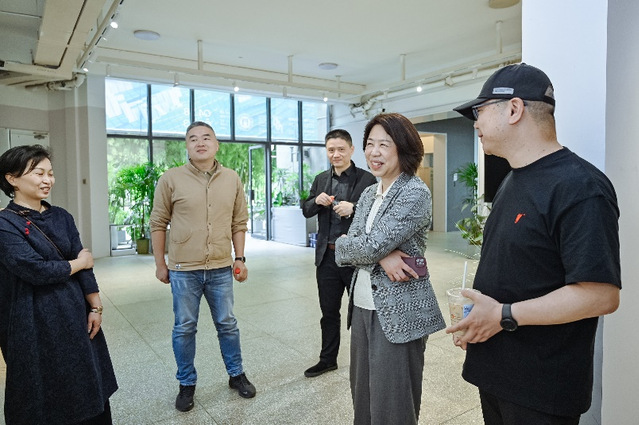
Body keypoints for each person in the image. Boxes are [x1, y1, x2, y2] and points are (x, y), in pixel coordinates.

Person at [449, 63, 621, 425]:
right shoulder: (511, 179)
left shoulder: (580, 187)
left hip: (541, 389)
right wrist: (478, 319)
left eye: (480, 112)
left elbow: (600, 295)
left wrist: (504, 315)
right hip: (495, 372)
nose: (475, 124)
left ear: (514, 109)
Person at [335, 113, 446, 425]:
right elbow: (352, 248)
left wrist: (363, 248)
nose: (374, 152)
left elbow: (360, 245)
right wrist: (381, 256)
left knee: (393, 404)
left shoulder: (414, 192)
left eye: (384, 144)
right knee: (363, 396)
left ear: (403, 148)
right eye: (370, 144)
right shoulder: (369, 193)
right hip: (361, 304)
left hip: (399, 311)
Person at [0, 144, 118, 425]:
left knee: (87, 380)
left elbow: (82, 257)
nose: (47, 180)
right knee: (42, 386)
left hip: (73, 310)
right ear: (12, 179)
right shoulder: (4, 223)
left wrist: (95, 306)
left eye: (50, 173)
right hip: (32, 318)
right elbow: (34, 270)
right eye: (38, 173)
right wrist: (79, 263)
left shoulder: (62, 216)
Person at [150, 121, 256, 412]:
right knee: (184, 327)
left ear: (216, 145)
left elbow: (239, 222)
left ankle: (236, 374)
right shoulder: (170, 179)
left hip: (221, 267)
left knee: (227, 324)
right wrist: (160, 264)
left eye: (206, 138)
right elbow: (158, 223)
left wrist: (240, 258)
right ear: (186, 146)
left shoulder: (231, 178)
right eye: (193, 138)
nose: (200, 142)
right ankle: (186, 383)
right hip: (183, 269)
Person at [302, 129, 377, 378]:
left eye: (341, 149)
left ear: (351, 150)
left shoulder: (367, 179)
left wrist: (354, 208)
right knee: (329, 313)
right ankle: (327, 360)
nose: (336, 154)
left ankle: (367, 361)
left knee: (362, 312)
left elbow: (377, 213)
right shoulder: (321, 179)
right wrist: (316, 201)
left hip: (355, 259)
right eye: (331, 150)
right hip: (327, 257)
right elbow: (306, 209)